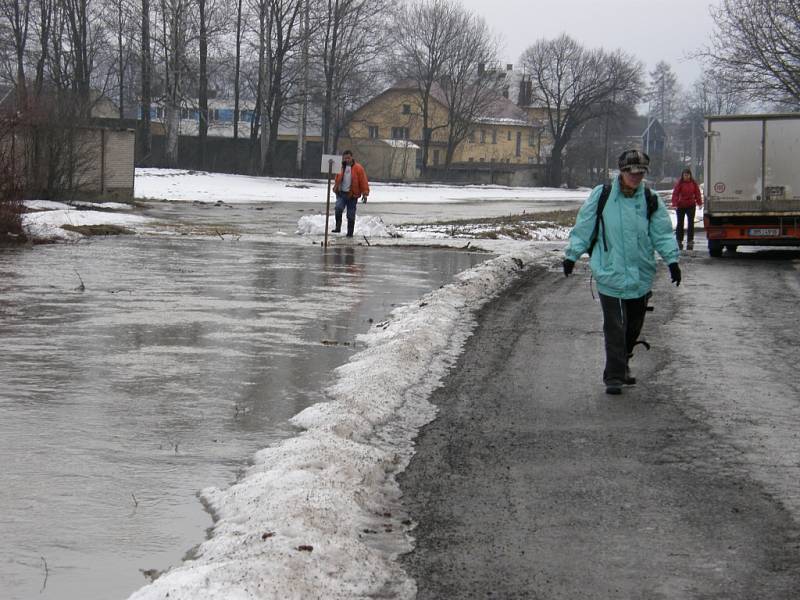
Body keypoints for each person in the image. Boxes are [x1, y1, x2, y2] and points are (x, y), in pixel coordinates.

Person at [562, 149, 681, 395]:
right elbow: (584, 226)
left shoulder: (650, 199)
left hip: (641, 274)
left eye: (641, 172)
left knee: (633, 326)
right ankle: (614, 376)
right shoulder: (602, 196)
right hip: (610, 272)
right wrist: (571, 255)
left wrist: (672, 261)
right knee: (615, 326)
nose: (636, 177)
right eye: (631, 172)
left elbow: (662, 233)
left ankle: (623, 361)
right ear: (622, 172)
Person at [332, 150, 370, 237]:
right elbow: (337, 178)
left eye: (348, 158)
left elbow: (363, 181)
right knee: (338, 208)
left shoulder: (358, 168)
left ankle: (350, 233)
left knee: (350, 215)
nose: (347, 160)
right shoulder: (340, 167)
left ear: (352, 157)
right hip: (341, 193)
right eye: (345, 158)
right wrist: (336, 188)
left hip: (353, 195)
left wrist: (365, 193)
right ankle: (338, 227)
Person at [671, 167, 703, 250]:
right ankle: (679, 239)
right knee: (680, 223)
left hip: (691, 205)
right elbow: (675, 193)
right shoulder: (680, 183)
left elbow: (697, 193)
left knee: (690, 223)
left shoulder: (693, 183)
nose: (686, 176)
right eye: (685, 175)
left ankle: (690, 239)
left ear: (690, 175)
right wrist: (674, 203)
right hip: (681, 205)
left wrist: (699, 203)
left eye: (688, 175)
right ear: (682, 175)